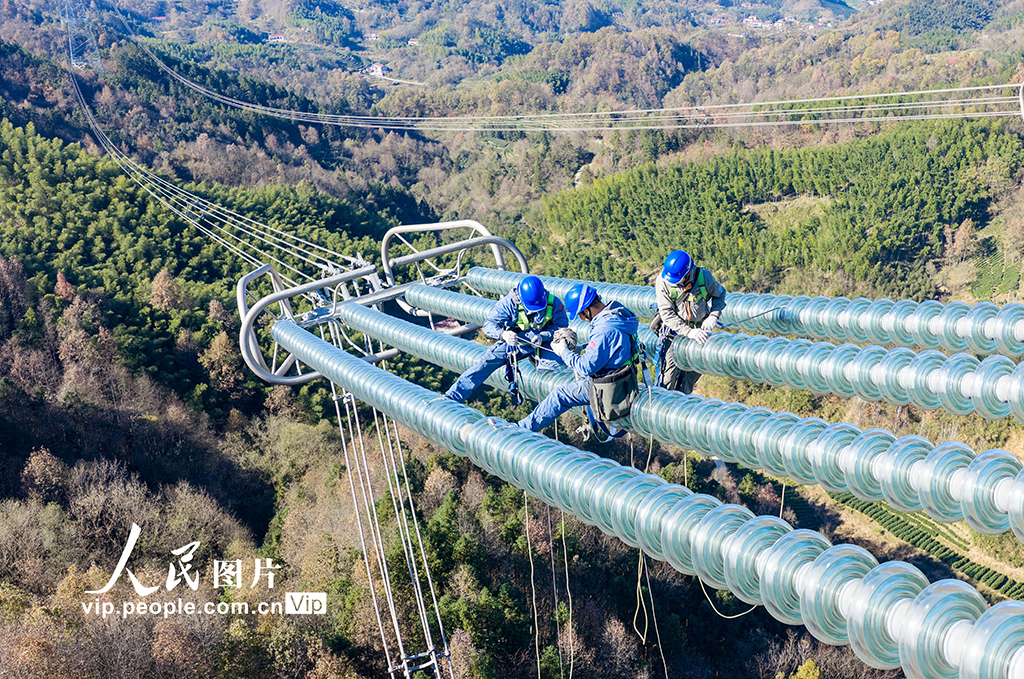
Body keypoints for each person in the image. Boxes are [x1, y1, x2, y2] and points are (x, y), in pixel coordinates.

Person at [518, 282, 639, 432]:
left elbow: (585, 368)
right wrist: (581, 349)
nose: (582, 319)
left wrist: (563, 351)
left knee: (559, 396)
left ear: (586, 310)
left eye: (581, 315)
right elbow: (611, 346)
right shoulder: (617, 314)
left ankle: (523, 428)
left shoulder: (603, 328)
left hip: (610, 385)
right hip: (626, 377)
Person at [444, 275, 568, 402]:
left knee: (556, 367)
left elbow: (562, 326)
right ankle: (453, 396)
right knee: (484, 364)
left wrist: (543, 336)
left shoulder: (552, 302)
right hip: (515, 344)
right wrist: (503, 334)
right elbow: (489, 325)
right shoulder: (509, 303)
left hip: (542, 343)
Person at [652, 249, 727, 394]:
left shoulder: (704, 277)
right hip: (674, 333)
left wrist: (713, 316)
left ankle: (683, 402)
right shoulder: (663, 281)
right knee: (668, 376)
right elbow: (666, 314)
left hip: (700, 331)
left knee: (694, 370)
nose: (673, 283)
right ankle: (665, 406)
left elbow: (720, 295)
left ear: (687, 274)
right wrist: (688, 332)